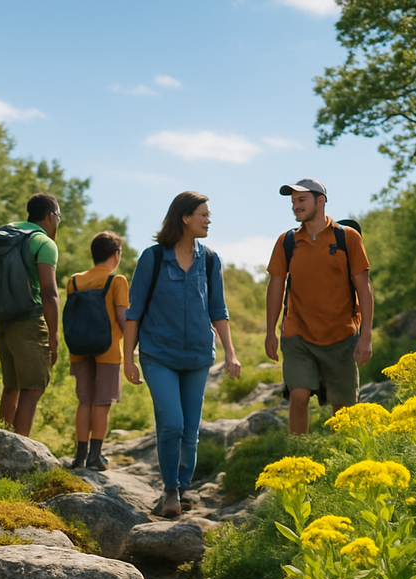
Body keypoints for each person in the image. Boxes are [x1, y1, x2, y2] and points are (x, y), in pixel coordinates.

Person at [124, 191, 241, 519]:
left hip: (197, 356)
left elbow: (218, 309)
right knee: (172, 424)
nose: (208, 220)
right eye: (203, 214)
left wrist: (231, 353)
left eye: (208, 214)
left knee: (191, 430)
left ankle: (183, 486)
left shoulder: (210, 259)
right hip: (158, 355)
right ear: (184, 217)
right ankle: (171, 489)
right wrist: (127, 358)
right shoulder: (153, 258)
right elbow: (134, 312)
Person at [264, 178, 374, 435]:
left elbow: (364, 288)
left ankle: (343, 457)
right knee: (299, 395)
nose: (295, 206)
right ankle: (298, 457)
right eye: (293, 202)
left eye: (301, 200)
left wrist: (365, 335)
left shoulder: (348, 237)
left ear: (320, 201)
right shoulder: (286, 242)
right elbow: (276, 287)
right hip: (297, 335)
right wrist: (270, 331)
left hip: (341, 335)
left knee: (343, 410)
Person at [0, 192, 61, 437]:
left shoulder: (7, 234)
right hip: (28, 322)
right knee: (33, 388)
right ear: (50, 216)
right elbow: (49, 293)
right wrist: (53, 336)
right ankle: (18, 448)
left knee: (11, 386)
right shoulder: (43, 243)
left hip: (1, 318)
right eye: (59, 217)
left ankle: (0, 442)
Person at [67, 231, 129, 470]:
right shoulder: (117, 281)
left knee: (84, 401)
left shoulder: (73, 281)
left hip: (79, 348)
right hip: (108, 349)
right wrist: (131, 342)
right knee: (102, 402)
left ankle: (79, 456)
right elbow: (123, 318)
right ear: (116, 255)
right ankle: (95, 456)